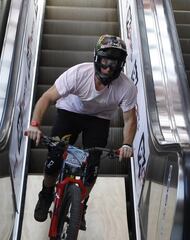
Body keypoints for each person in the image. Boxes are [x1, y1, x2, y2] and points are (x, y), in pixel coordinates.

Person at [25, 35, 137, 230]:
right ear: (96, 58)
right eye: (105, 61)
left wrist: (127, 144)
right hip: (70, 112)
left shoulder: (126, 88)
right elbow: (47, 97)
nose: (108, 68)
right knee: (54, 157)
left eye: (114, 63)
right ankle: (46, 193)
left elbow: (129, 119)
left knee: (93, 165)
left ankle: (81, 205)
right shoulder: (78, 73)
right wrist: (35, 124)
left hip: (99, 119)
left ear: (121, 65)